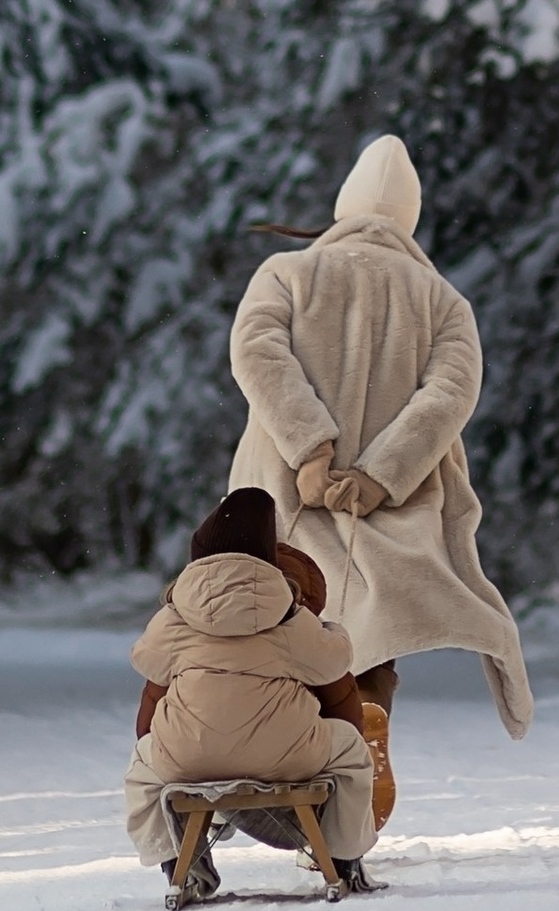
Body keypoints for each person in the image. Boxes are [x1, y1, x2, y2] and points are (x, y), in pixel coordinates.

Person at [226, 132, 533, 814]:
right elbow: (449, 396)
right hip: (391, 506)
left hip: (285, 493)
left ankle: (276, 765)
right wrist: (378, 474)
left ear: (342, 207)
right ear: (410, 219)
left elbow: (257, 354)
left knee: (275, 628)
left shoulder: (286, 273)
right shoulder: (443, 299)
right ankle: (362, 725)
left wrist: (310, 450)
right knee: (367, 636)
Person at [123, 487, 377, 884]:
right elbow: (333, 663)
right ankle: (344, 857)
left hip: (189, 756)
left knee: (142, 763)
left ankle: (174, 859)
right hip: (287, 754)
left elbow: (144, 659)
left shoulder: (176, 615)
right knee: (351, 750)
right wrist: (332, 630)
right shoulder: (287, 613)